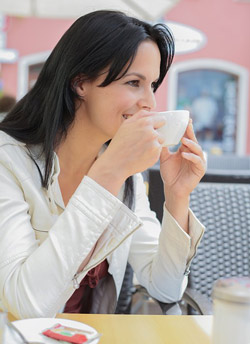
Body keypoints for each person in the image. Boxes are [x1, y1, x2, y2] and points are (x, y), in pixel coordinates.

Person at [0, 10, 206, 319]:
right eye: (134, 82)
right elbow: (24, 305)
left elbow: (165, 288)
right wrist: (109, 172)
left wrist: (177, 195)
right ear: (80, 81)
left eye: (153, 85)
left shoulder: (125, 173)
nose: (149, 102)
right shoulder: (9, 161)